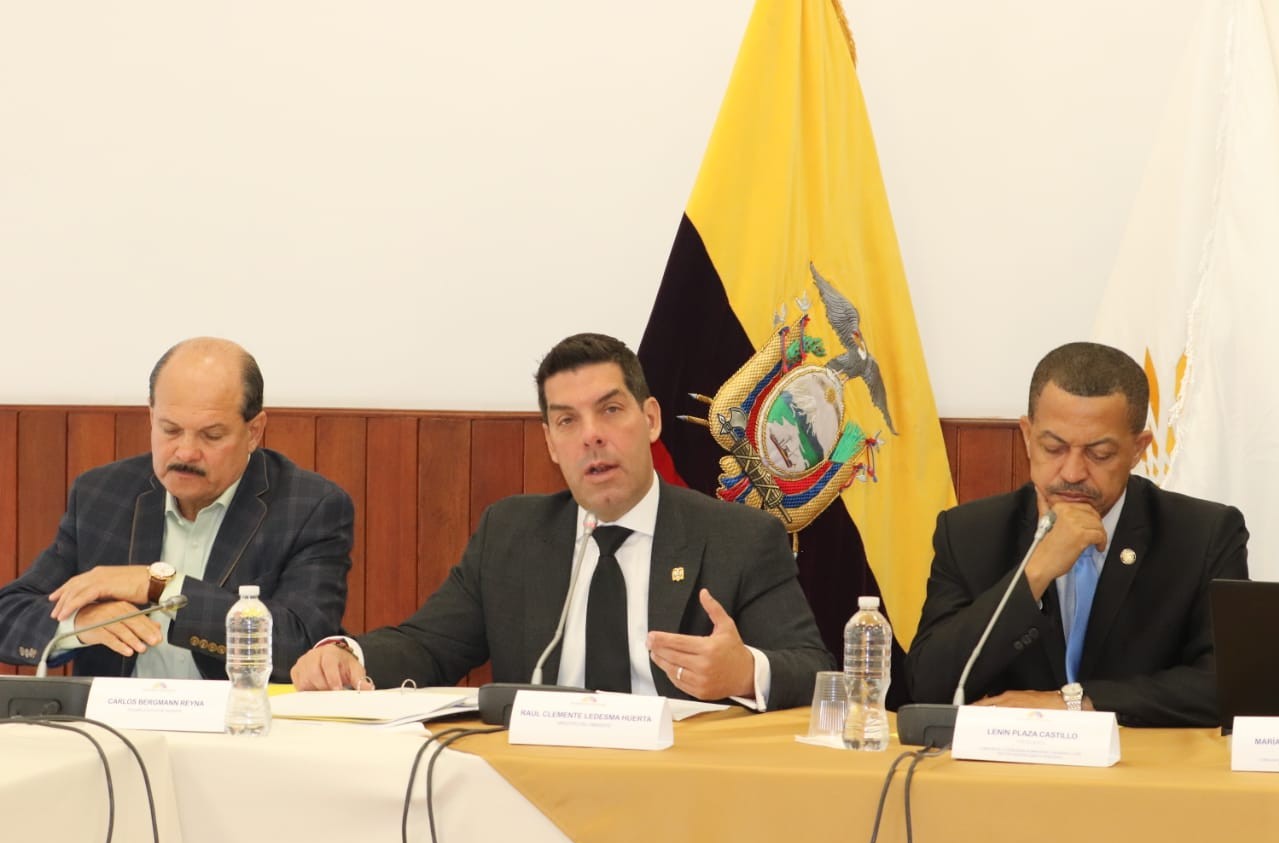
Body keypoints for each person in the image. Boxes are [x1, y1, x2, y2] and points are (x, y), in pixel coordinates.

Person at [292, 332, 832, 709]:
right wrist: (348, 654)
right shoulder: (512, 533)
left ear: (650, 420)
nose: (591, 435)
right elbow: (429, 645)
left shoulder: (737, 537)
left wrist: (745, 672)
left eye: (610, 410)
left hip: (679, 786)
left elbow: (813, 669)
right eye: (568, 421)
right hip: (537, 782)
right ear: (551, 443)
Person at [905, 342, 1248, 727]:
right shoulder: (970, 533)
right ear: (1027, 436)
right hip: (1006, 762)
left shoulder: (1203, 535)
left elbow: (1228, 685)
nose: (1071, 473)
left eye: (1099, 454)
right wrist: (1034, 573)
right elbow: (926, 685)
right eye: (1053, 448)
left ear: (1138, 449)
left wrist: (1078, 702)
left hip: (1141, 762)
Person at [0, 337, 355, 680]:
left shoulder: (308, 507)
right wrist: (79, 622)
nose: (185, 452)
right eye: (170, 430)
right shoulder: (102, 495)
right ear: (151, 416)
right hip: (115, 718)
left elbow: (303, 644)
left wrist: (160, 586)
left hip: (239, 716)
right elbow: (10, 614)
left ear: (254, 431)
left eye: (211, 435)